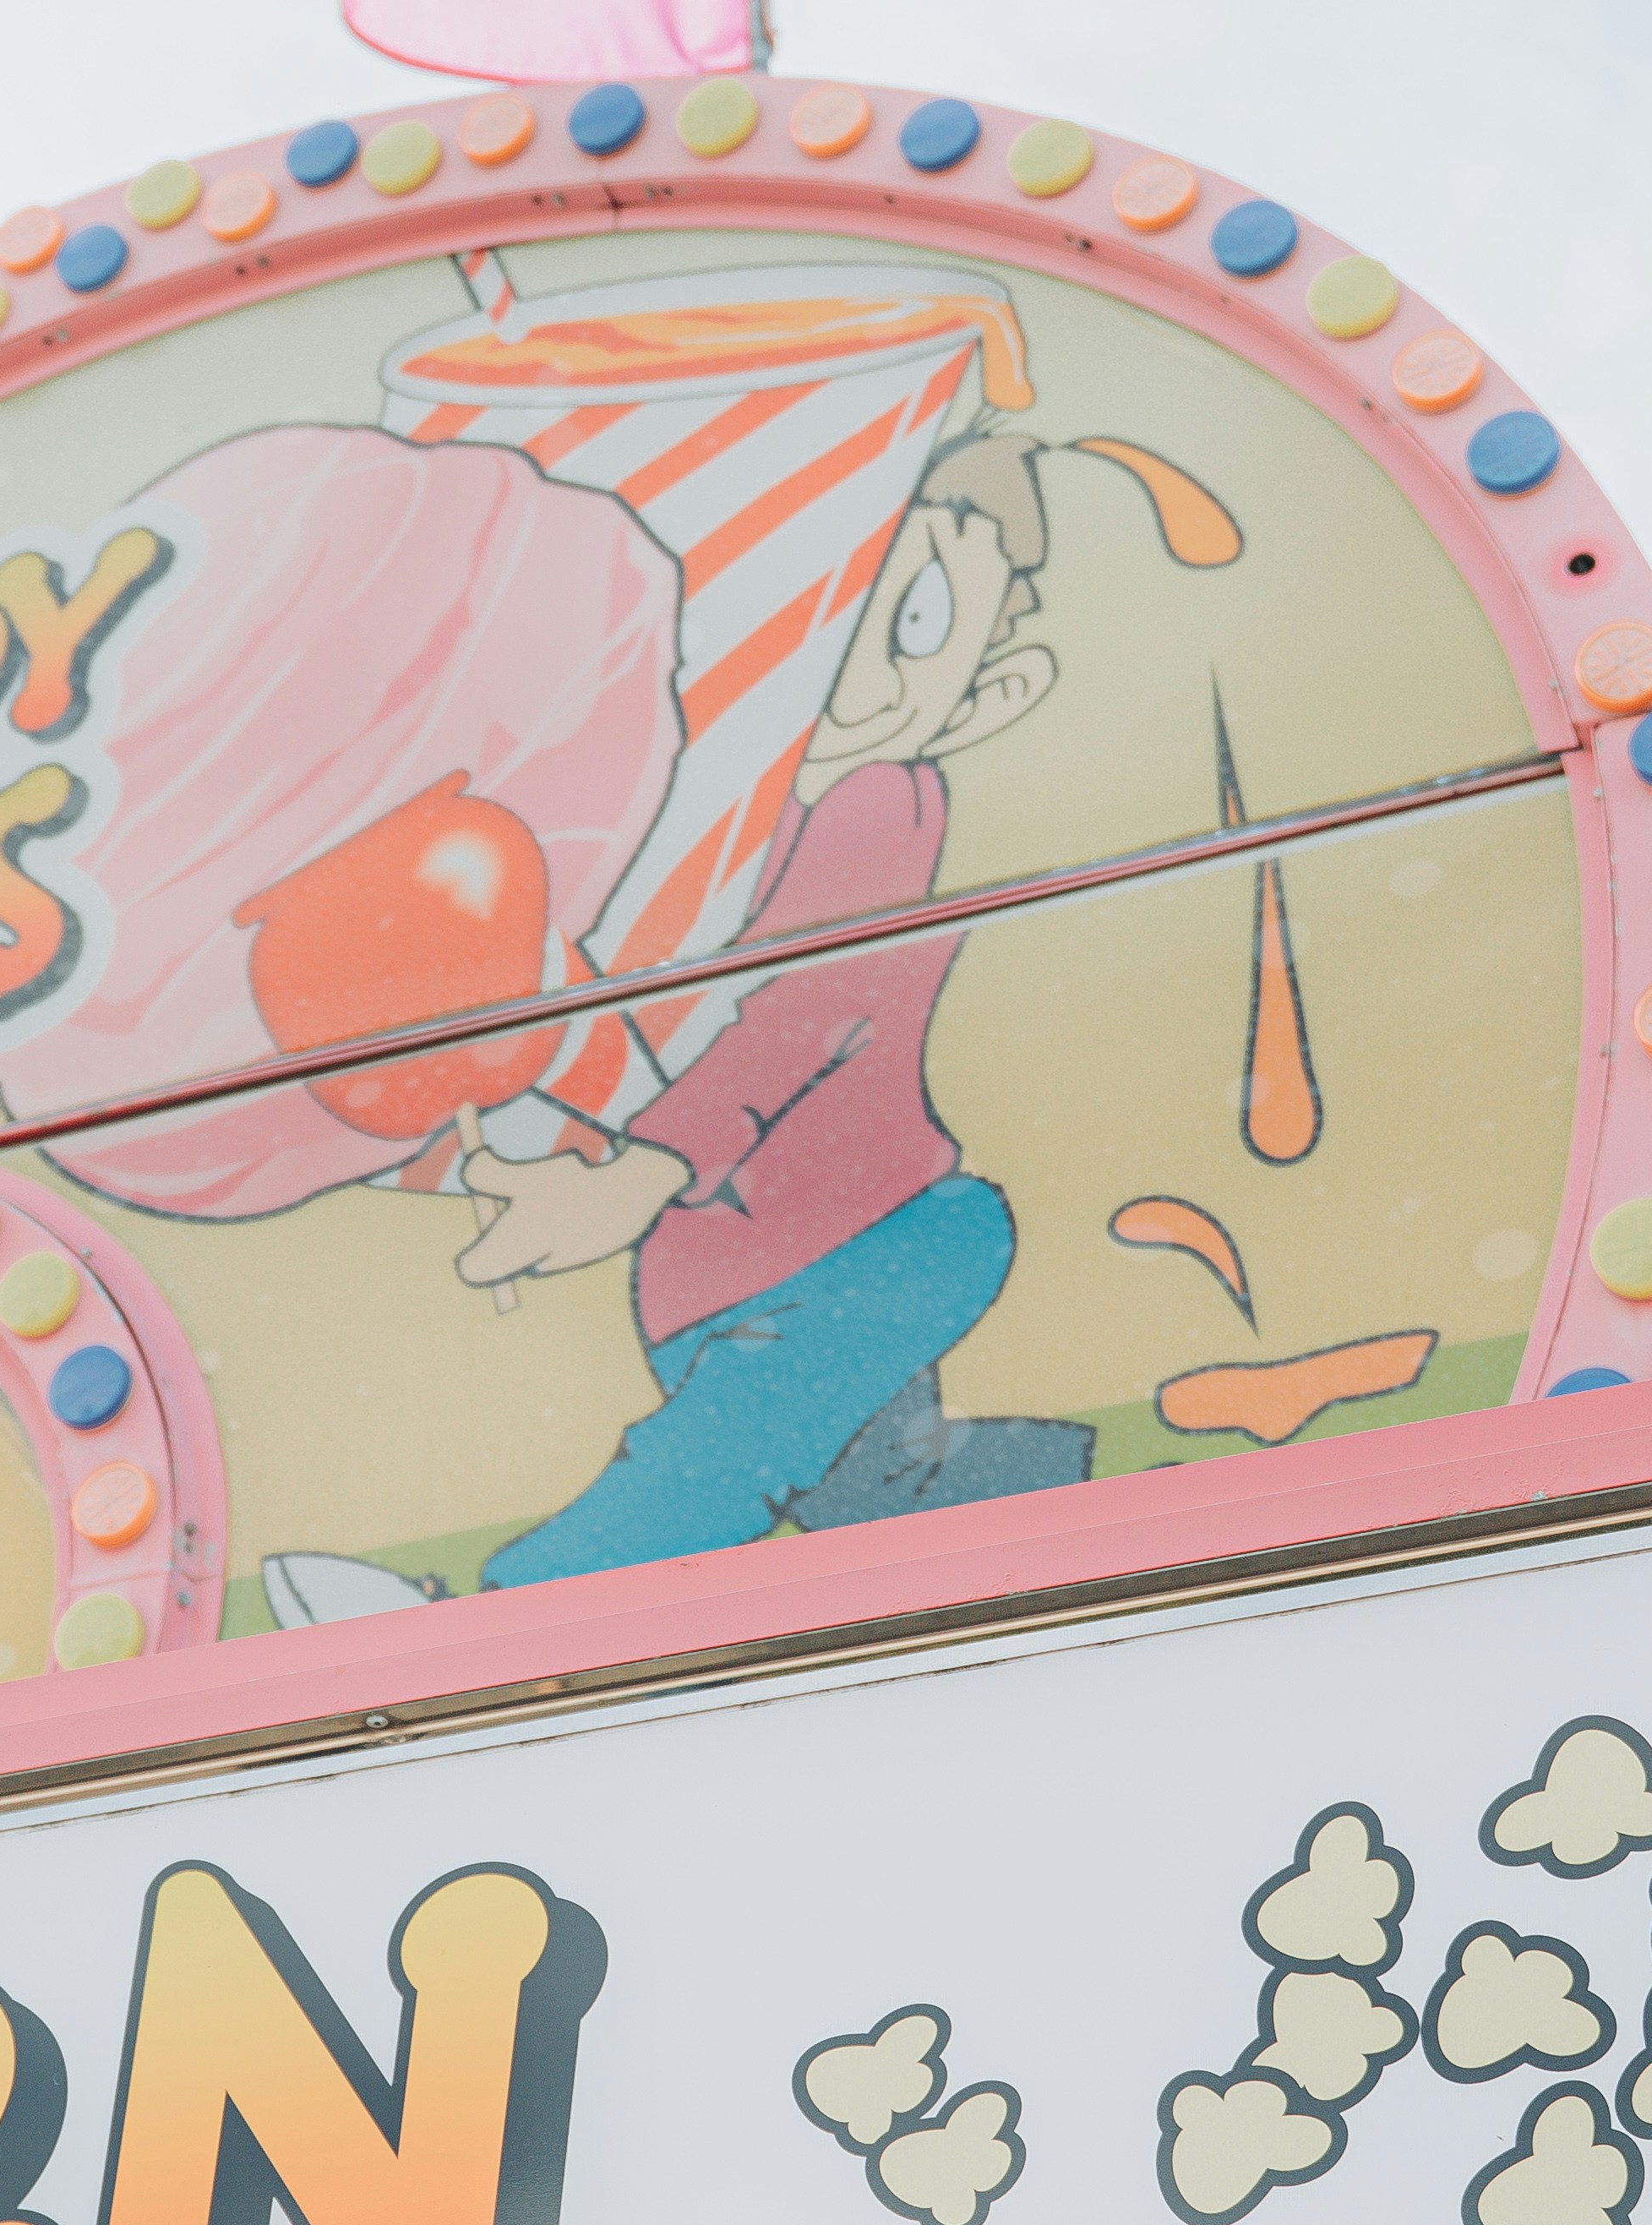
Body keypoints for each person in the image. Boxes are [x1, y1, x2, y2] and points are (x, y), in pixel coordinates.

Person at [269, 420, 1209, 1615]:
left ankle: (507, 1611)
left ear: (994, 688)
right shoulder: (685, 851)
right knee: (884, 1495)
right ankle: (1150, 1504)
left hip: (887, 1237)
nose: (838, 665)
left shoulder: (880, 810)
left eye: (909, 620)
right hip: (703, 1281)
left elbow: (800, 1019)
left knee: (724, 1454)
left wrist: (636, 1171)